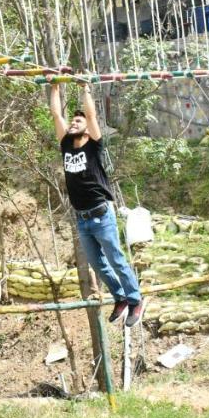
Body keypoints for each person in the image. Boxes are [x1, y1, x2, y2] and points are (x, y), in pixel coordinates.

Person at [49, 82, 144, 328]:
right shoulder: (66, 146)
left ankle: (135, 300)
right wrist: (55, 87)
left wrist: (85, 88)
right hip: (82, 218)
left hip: (102, 215)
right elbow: (56, 114)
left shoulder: (94, 146)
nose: (74, 123)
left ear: (89, 131)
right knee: (97, 264)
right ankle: (120, 297)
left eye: (78, 123)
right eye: (73, 122)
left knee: (116, 259)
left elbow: (90, 115)